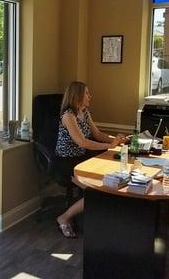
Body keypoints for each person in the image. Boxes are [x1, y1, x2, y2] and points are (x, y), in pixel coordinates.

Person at [55, 81, 130, 238]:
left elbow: (98, 134)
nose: (90, 96)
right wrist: (110, 146)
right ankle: (64, 217)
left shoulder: (85, 112)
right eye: (87, 93)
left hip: (82, 157)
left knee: (109, 177)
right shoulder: (68, 116)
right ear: (78, 96)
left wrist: (117, 140)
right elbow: (82, 141)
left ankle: (104, 216)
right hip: (66, 162)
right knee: (95, 191)